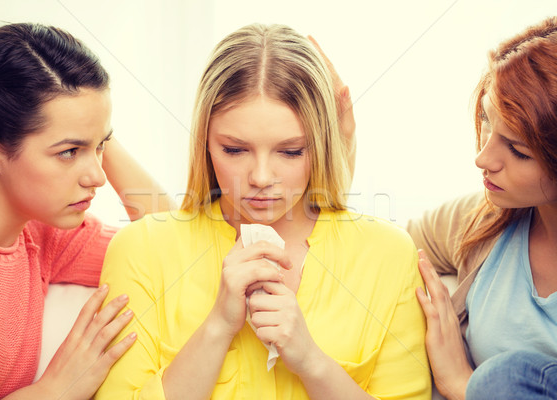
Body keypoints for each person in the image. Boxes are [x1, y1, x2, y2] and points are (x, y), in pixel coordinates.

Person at [96, 23, 431, 400]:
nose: (260, 177)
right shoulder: (141, 249)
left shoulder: (388, 254)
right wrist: (218, 327)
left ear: (320, 144)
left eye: (290, 152)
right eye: (234, 150)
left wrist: (311, 362)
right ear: (205, 140)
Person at [0, 23, 174, 400]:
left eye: (101, 146)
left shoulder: (42, 235)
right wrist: (56, 390)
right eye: (68, 152)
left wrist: (88, 126)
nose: (98, 177)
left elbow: (170, 243)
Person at [408, 16, 557, 400]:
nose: (482, 158)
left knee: (503, 380)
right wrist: (339, 143)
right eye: (486, 123)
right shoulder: (484, 220)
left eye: (518, 150)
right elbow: (385, 245)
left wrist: (461, 385)